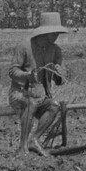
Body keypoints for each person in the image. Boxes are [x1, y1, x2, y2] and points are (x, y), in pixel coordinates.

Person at [9, 12, 70, 155]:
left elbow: (59, 80)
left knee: (54, 106)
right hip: (19, 94)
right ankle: (22, 147)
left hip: (41, 96)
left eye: (57, 33)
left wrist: (60, 73)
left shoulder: (55, 50)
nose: (56, 35)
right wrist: (27, 76)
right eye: (53, 32)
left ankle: (33, 140)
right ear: (44, 32)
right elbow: (12, 71)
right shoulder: (24, 46)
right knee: (31, 103)